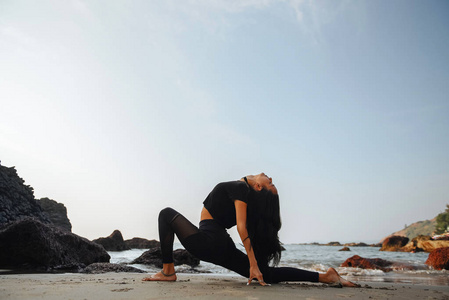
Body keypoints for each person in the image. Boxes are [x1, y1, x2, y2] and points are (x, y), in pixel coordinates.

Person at [143, 173, 358, 287]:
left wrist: (253, 264)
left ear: (258, 187)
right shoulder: (242, 190)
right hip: (218, 244)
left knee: (165, 214)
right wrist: (255, 266)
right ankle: (327, 277)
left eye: (270, 184)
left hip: (210, 241)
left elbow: (242, 226)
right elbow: (242, 223)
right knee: (268, 275)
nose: (271, 179)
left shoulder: (241, 190)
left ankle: (168, 271)